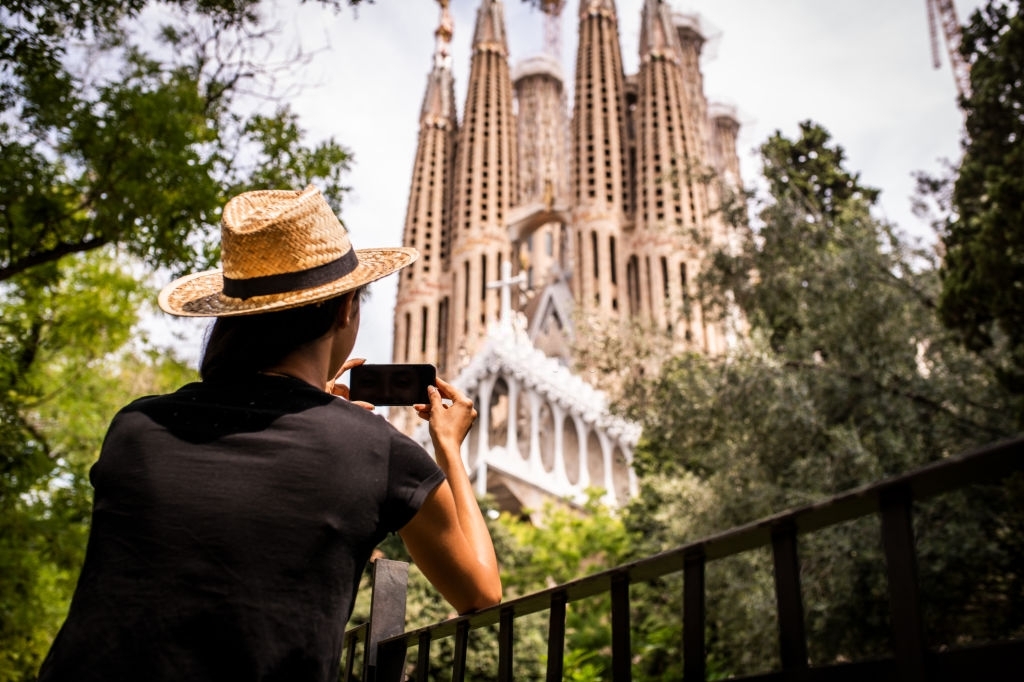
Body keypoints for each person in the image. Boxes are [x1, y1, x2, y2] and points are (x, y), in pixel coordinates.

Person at [38, 185, 501, 681]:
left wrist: (313, 408)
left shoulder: (135, 426)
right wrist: (448, 448)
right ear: (345, 309)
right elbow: (481, 593)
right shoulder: (375, 450)